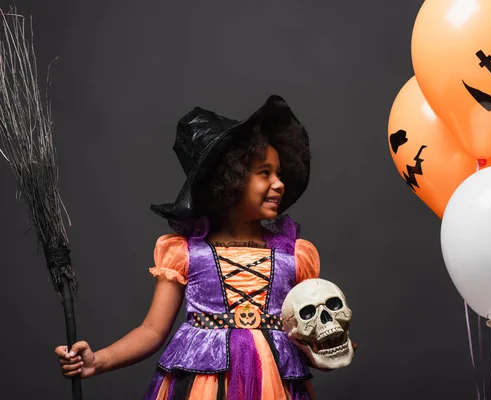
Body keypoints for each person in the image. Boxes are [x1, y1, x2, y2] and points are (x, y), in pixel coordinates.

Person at [55, 95, 320, 399]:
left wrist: (331, 347)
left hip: (276, 385)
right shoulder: (186, 254)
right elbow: (152, 331)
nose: (279, 183)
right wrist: (97, 361)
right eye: (265, 173)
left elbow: (310, 329)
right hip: (204, 385)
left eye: (279, 174)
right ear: (230, 180)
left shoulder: (295, 255)